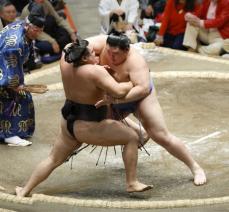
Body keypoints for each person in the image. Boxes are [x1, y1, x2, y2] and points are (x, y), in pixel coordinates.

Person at [15, 39, 152, 197]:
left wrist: (101, 70)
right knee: (131, 138)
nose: (97, 55)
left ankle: (24, 190)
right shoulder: (95, 71)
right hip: (90, 125)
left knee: (53, 159)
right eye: (93, 53)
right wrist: (131, 83)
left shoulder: (66, 63)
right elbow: (119, 92)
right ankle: (132, 183)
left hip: (69, 122)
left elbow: (70, 49)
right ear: (85, 58)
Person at [87, 33, 207, 186]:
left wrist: (116, 99)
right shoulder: (101, 43)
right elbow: (78, 46)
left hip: (140, 97)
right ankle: (139, 131)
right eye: (108, 52)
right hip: (114, 96)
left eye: (116, 54)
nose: (111, 57)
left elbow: (143, 89)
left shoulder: (136, 62)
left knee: (160, 135)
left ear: (127, 50)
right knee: (95, 117)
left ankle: (195, 168)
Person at [0, 4, 45, 146]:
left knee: (21, 95)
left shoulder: (21, 24)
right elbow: (11, 66)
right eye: (36, 30)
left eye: (40, 31)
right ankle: (10, 134)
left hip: (5, 65)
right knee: (16, 97)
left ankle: (14, 132)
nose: (38, 33)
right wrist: (16, 85)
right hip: (4, 69)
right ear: (28, 26)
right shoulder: (15, 44)